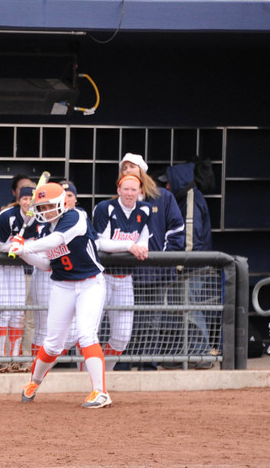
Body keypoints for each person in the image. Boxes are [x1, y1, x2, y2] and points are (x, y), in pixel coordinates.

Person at [10, 183, 110, 408]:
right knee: (53, 343)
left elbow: (57, 240)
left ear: (61, 203)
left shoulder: (76, 217)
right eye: (42, 207)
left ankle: (101, 392)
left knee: (86, 335)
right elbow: (46, 264)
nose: (45, 211)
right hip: (62, 285)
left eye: (49, 206)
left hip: (90, 283)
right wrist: (21, 252)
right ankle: (33, 383)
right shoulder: (43, 229)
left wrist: (26, 247)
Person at [119, 153, 185, 369]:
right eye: (124, 167)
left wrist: (163, 259)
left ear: (142, 170)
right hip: (125, 273)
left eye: (132, 166)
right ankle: (123, 365)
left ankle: (147, 366)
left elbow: (177, 230)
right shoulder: (118, 201)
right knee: (125, 321)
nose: (127, 170)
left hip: (155, 273)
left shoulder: (162, 197)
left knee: (151, 322)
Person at [92, 173, 152, 370]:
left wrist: (141, 247)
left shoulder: (145, 209)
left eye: (133, 189)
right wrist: (129, 246)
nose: (129, 193)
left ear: (140, 191)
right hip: (101, 277)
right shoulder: (105, 208)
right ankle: (85, 375)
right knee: (89, 332)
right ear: (118, 190)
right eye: (125, 189)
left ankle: (103, 372)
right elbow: (100, 242)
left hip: (125, 278)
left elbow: (143, 239)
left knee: (122, 336)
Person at [164, 161, 217, 367]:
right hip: (190, 265)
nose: (167, 186)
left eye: (169, 182)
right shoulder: (185, 197)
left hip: (192, 266)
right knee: (183, 310)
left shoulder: (191, 198)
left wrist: (179, 265)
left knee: (191, 309)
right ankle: (185, 355)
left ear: (178, 181)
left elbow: (190, 237)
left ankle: (202, 354)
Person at [0, 184, 34, 373]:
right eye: (25, 199)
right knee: (4, 310)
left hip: (15, 264)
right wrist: (23, 246)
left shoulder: (39, 218)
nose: (28, 202)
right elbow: (1, 246)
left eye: (31, 199)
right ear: (19, 200)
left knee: (18, 313)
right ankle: (1, 361)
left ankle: (15, 359)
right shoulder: (7, 216)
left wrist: (23, 246)